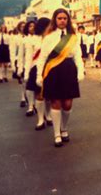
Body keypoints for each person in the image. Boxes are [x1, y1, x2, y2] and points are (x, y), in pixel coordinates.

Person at [36, 9, 84, 147]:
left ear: (68, 20)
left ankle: (64, 128)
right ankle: (57, 134)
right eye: (59, 18)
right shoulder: (49, 37)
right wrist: (39, 75)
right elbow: (42, 58)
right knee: (56, 102)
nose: (62, 20)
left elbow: (78, 57)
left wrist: (80, 71)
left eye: (64, 18)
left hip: (68, 70)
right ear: (55, 20)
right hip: (53, 71)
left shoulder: (73, 37)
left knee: (68, 104)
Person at [24, 18, 53, 127]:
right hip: (36, 68)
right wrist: (26, 73)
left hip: (50, 67)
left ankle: (48, 115)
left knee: (49, 95)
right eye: (48, 25)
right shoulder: (32, 40)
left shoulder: (52, 38)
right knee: (39, 95)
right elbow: (28, 58)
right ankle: (40, 119)